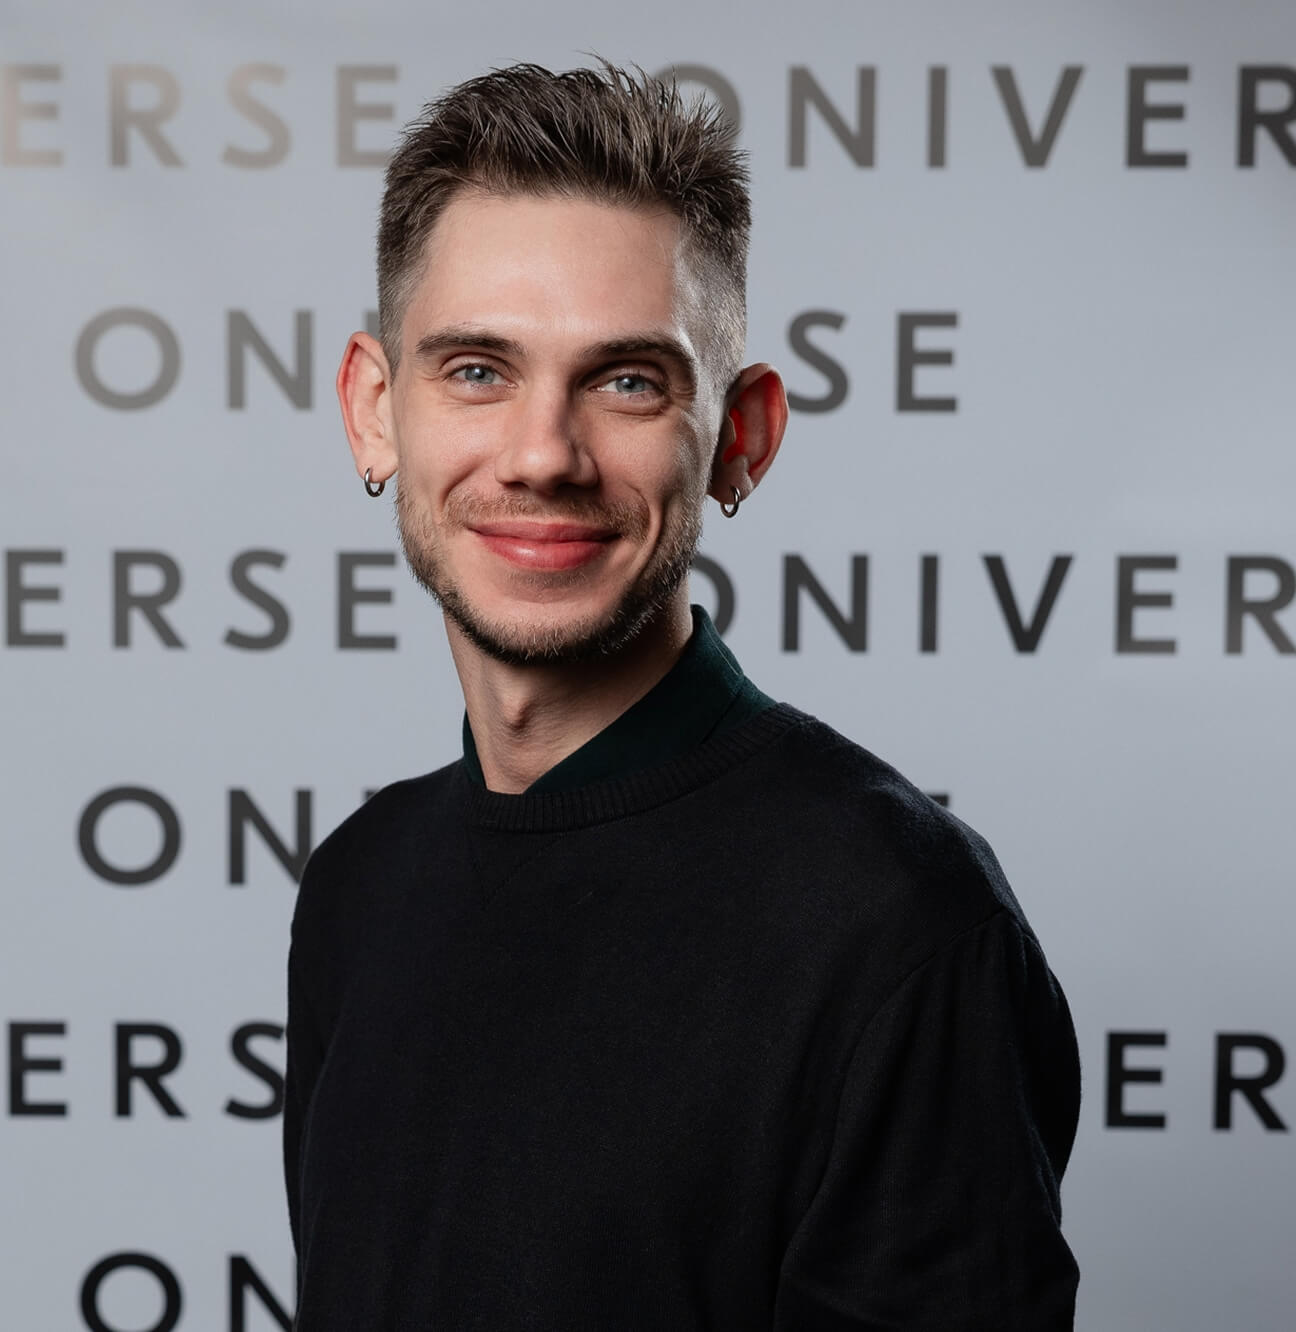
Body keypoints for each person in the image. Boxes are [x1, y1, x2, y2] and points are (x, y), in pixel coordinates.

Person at [284, 61, 1081, 1330]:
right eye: (478, 370)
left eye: (627, 381)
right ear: (375, 411)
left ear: (740, 437)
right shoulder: (359, 886)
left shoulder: (896, 925)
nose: (543, 455)